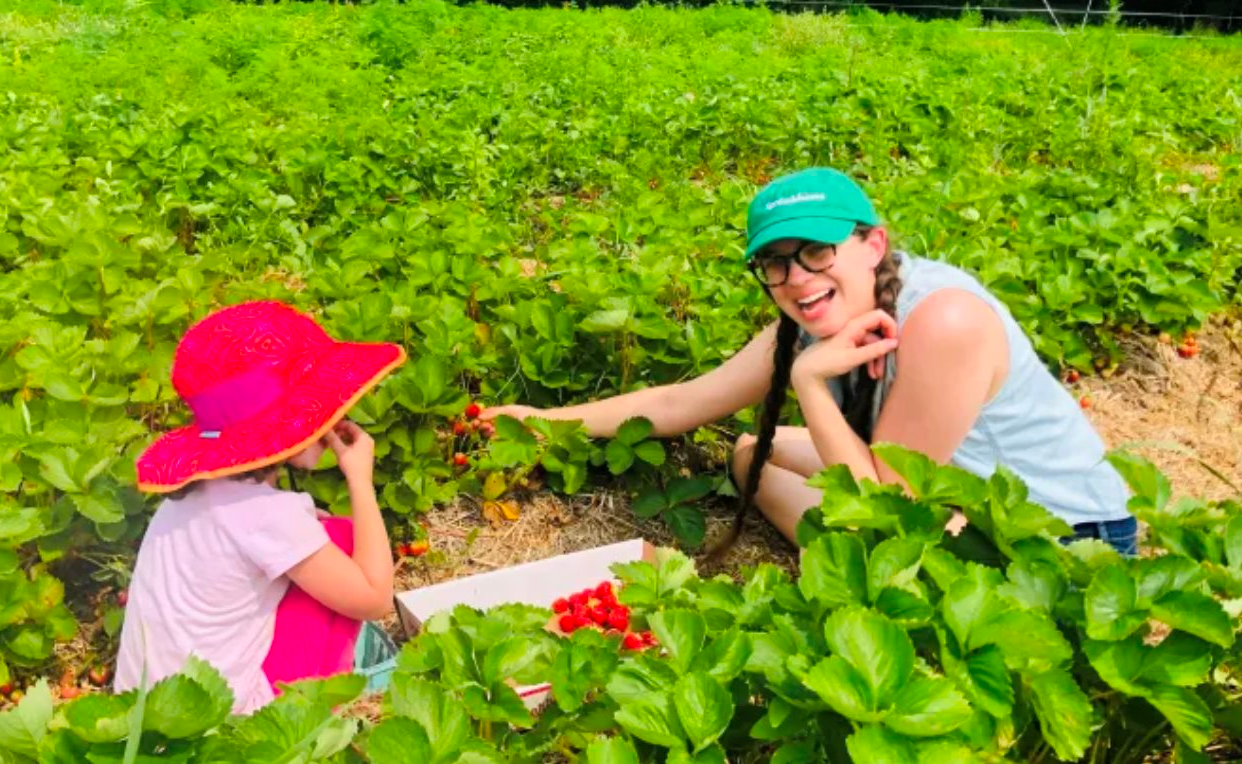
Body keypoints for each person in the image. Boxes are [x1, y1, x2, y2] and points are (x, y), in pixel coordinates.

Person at [483, 167, 1136, 555]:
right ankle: (871, 558)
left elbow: (886, 506)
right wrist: (540, 420)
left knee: (868, 530)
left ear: (872, 244)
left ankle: (861, 574)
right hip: (952, 492)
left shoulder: (945, 320)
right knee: (749, 455)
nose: (796, 278)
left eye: (815, 251)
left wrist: (811, 386)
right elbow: (681, 403)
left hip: (1067, 543)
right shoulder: (820, 310)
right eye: (774, 261)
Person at [113, 300, 405, 714]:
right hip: (227, 730)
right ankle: (313, 724)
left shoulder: (197, 491)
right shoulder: (269, 515)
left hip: (146, 719)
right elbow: (376, 599)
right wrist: (359, 478)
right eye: (314, 406)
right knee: (343, 539)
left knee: (323, 539)